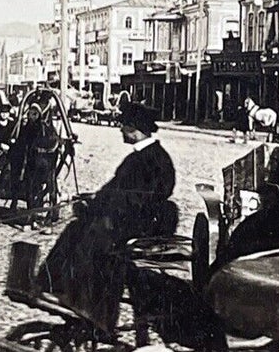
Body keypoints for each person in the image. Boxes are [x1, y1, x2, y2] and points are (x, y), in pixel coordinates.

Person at [39, 98, 176, 336]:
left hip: (140, 227)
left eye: (123, 126)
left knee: (96, 238)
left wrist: (101, 209)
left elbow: (138, 200)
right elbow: (115, 191)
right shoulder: (140, 157)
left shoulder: (156, 159)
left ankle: (97, 312)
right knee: (76, 228)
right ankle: (58, 288)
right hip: (126, 219)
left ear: (134, 129)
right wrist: (92, 200)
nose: (120, 130)